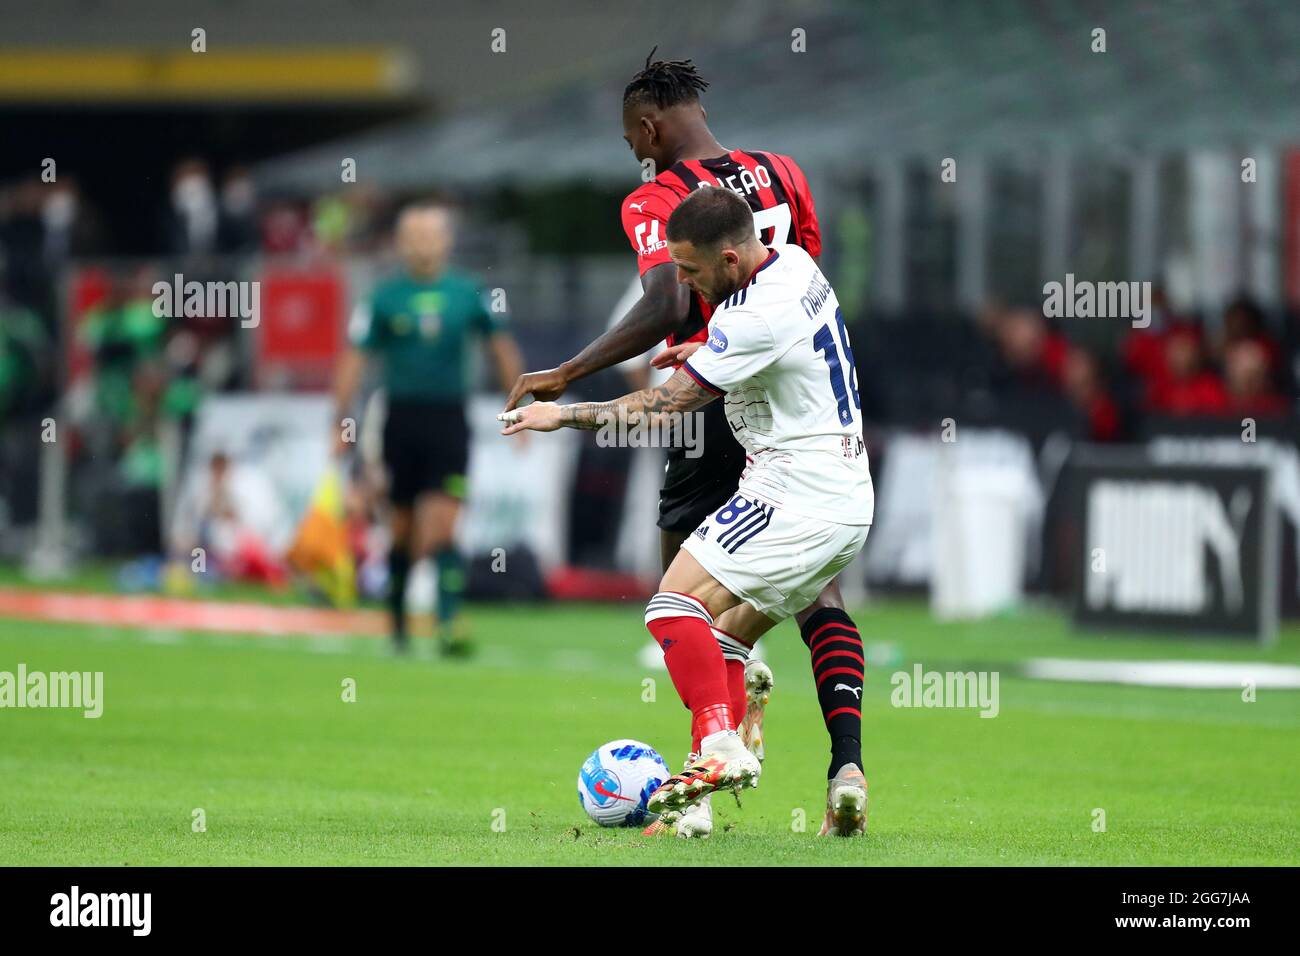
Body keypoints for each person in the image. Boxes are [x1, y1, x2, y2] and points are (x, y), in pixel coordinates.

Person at [504, 54, 867, 838]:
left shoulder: (657, 197)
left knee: (678, 602)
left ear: (646, 129)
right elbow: (796, 268)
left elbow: (671, 302)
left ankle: (713, 755)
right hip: (798, 408)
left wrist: (569, 379)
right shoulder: (783, 172)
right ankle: (844, 765)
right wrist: (716, 349)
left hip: (722, 409)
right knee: (810, 599)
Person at [334, 202, 524, 655]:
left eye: (431, 233)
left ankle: (447, 624)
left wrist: (520, 407)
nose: (422, 242)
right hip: (400, 421)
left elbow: (501, 348)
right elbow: (354, 360)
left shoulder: (467, 292)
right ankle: (397, 623)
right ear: (401, 242)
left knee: (442, 525)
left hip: (449, 420)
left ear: (446, 240)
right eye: (413, 234)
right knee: (400, 529)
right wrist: (339, 421)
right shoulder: (382, 297)